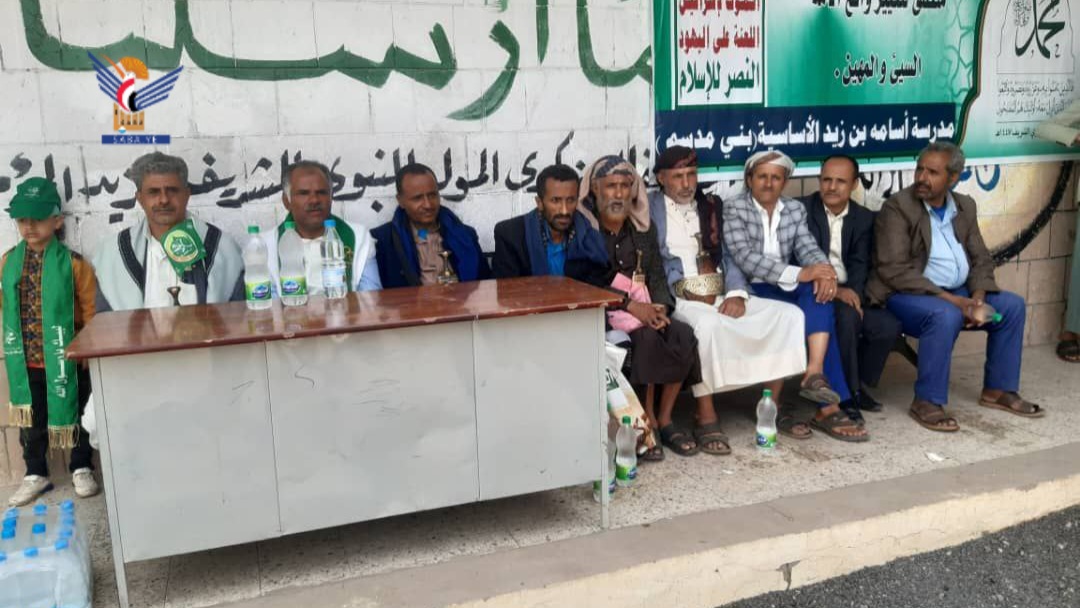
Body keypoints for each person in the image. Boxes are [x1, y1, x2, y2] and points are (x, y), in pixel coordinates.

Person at [867, 141, 1041, 431]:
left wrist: (977, 298)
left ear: (953, 177)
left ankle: (998, 390)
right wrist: (955, 302)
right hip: (906, 296)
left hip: (960, 295)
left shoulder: (964, 206)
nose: (922, 178)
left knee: (1010, 308)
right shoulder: (898, 207)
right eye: (920, 169)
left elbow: (981, 258)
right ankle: (927, 400)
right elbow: (893, 270)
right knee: (944, 315)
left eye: (932, 172)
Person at [648, 147, 809, 441]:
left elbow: (731, 255)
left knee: (789, 316)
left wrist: (736, 292)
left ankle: (770, 406)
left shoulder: (711, 205)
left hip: (722, 291)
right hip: (681, 295)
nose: (686, 184)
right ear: (661, 178)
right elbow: (652, 262)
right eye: (678, 176)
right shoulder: (649, 208)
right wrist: (671, 296)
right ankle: (705, 413)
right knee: (706, 327)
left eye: (691, 175)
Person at [580, 155, 721, 456]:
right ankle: (646, 422)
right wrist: (632, 307)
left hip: (644, 308)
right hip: (606, 312)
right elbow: (584, 280)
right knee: (646, 339)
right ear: (595, 189)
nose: (619, 194)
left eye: (625, 186)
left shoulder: (641, 228)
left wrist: (660, 308)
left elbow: (656, 273)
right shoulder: (585, 231)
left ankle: (666, 419)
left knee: (681, 334)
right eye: (611, 186)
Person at [723, 150, 868, 442]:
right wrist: (802, 273)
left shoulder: (793, 209)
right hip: (753, 288)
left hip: (784, 284)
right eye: (762, 177)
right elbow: (745, 258)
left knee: (819, 293)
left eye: (776, 178)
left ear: (785, 182)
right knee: (812, 302)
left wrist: (824, 272)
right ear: (750, 179)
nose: (768, 183)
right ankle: (829, 407)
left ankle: (814, 372)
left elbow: (808, 247)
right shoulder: (734, 208)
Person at [2, 178, 98, 506]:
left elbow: (90, 310)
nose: (29, 227)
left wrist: (87, 349)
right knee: (32, 421)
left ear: (57, 221)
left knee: (78, 414)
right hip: (26, 361)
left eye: (38, 219)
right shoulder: (8, 263)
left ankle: (82, 467)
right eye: (22, 220)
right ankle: (35, 473)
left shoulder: (74, 264)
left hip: (67, 358)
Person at [800, 155, 902, 423]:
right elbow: (797, 260)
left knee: (887, 326)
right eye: (826, 180)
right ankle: (846, 395)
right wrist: (836, 292)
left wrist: (852, 292)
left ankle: (859, 383)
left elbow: (860, 263)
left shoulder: (863, 217)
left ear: (854, 184)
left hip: (849, 291)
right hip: (814, 292)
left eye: (840, 181)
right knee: (846, 319)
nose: (832, 187)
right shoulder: (801, 210)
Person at [94, 152, 245, 310]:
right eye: (153, 192)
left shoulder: (222, 249)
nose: (164, 200)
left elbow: (239, 316)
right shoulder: (112, 255)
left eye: (172, 190)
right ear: (140, 199)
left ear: (187, 195)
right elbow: (104, 320)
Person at [263, 160, 380, 293]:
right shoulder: (267, 245)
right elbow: (268, 304)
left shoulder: (359, 237)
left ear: (331, 197)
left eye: (321, 192)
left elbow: (371, 298)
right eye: (304, 193)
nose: (314, 200)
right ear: (286, 201)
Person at [371, 163, 491, 287]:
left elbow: (485, 284)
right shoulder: (383, 241)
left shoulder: (465, 235)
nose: (428, 205)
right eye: (417, 198)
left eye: (432, 195)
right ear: (400, 201)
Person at [492, 164, 610, 286]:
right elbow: (507, 291)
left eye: (570, 200)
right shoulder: (510, 236)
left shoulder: (589, 237)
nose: (564, 211)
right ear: (539, 203)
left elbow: (597, 286)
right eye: (555, 201)